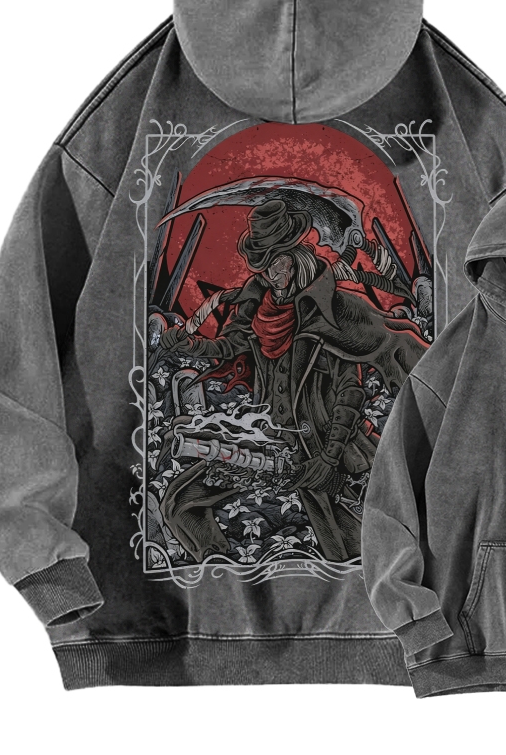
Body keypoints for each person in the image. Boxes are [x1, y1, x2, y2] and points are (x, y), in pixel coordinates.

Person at [158, 198, 429, 563]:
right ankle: (216, 570)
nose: (270, 274)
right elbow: (230, 345)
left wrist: (329, 458)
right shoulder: (258, 305)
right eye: (263, 266)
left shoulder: (331, 311)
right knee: (181, 504)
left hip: (323, 446)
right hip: (265, 438)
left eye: (276, 262)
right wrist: (190, 345)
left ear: (295, 255)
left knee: (347, 550)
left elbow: (350, 390)